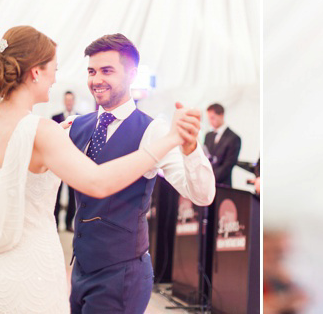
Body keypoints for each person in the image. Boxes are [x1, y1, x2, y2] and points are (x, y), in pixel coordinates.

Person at [0, 26, 199, 314]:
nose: (55, 77)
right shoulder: (42, 132)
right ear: (36, 72)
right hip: (31, 273)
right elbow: (98, 183)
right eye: (54, 68)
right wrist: (169, 140)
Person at [68, 33, 215, 314]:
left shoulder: (154, 130)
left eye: (107, 70)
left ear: (132, 74)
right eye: (91, 71)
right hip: (80, 267)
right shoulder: (77, 126)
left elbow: (202, 195)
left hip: (121, 274)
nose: (96, 79)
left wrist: (190, 147)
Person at [52, 89, 78, 230]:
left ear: (73, 101)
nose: (69, 102)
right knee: (56, 191)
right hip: (58, 161)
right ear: (64, 101)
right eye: (66, 100)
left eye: (71, 100)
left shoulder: (79, 118)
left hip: (73, 161)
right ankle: (55, 222)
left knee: (73, 195)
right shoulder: (55, 117)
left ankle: (69, 224)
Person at [204, 102, 242, 187]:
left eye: (212, 118)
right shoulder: (208, 135)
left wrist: (211, 178)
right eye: (209, 119)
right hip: (206, 185)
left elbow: (228, 164)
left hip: (223, 186)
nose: (210, 121)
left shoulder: (234, 138)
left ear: (221, 115)